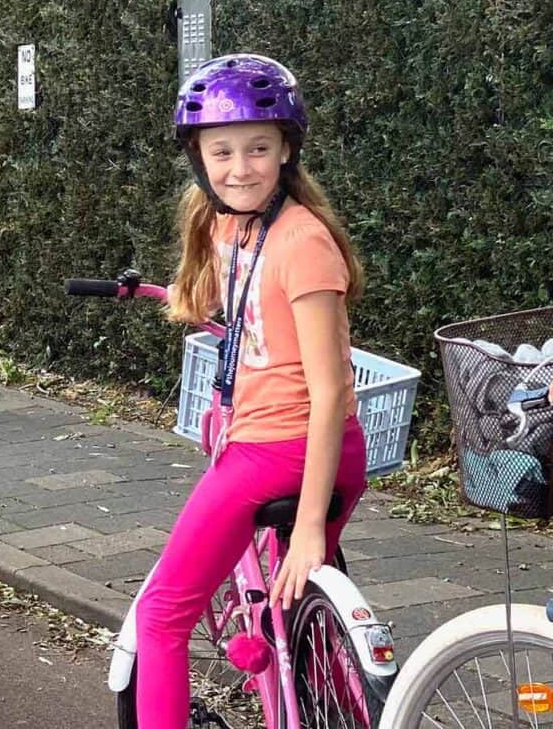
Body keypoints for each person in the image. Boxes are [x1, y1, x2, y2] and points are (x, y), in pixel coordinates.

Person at [130, 54, 369, 727]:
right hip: (320, 452)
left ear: (286, 149)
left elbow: (329, 391)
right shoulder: (225, 225)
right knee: (294, 622)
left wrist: (309, 534)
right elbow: (228, 308)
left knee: (162, 616)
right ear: (199, 158)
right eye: (222, 151)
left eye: (258, 148)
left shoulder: (303, 243)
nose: (240, 166)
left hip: (277, 452)